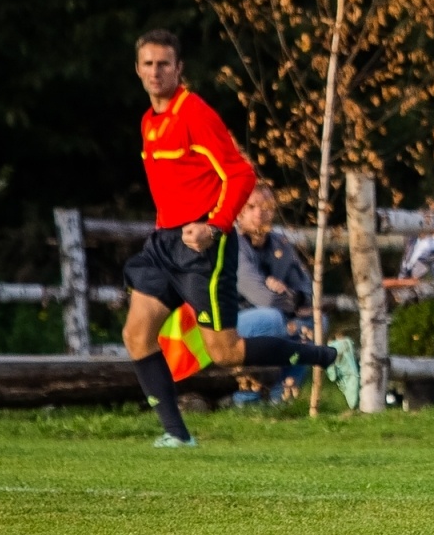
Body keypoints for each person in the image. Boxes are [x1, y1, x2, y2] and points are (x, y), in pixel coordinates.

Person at [120, 29, 360, 445]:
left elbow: (241, 174)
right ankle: (177, 435)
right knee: (137, 335)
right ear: (138, 69)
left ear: (179, 69)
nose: (155, 71)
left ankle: (330, 357)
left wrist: (213, 226)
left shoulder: (194, 113)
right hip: (165, 245)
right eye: (148, 64)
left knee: (224, 352)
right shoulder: (149, 122)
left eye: (164, 64)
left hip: (206, 248)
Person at [235, 182, 316, 403]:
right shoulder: (232, 244)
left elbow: (306, 289)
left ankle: (282, 397)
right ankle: (245, 398)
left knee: (314, 324)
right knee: (272, 319)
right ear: (239, 211)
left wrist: (290, 295)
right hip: (226, 323)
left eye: (267, 207)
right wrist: (291, 302)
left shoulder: (281, 243)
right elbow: (262, 297)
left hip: (274, 314)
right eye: (251, 207)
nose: (260, 213)